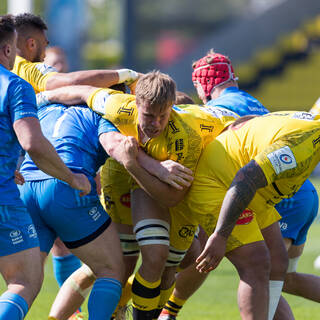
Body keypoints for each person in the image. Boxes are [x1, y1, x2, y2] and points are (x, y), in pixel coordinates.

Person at [35, 70, 239, 319]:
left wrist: (142, 166)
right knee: (122, 263)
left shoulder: (185, 138)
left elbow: (171, 198)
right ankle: (92, 315)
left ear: (172, 108)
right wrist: (41, 99)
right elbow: (82, 91)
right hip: (120, 176)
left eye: (162, 117)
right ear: (136, 103)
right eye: (148, 115)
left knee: (165, 262)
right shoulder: (119, 106)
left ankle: (133, 312)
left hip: (159, 188)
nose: (155, 124)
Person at [160, 50, 320, 320]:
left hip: (259, 187)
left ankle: (167, 310)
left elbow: (245, 157)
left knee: (265, 266)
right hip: (265, 188)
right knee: (268, 268)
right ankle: (166, 310)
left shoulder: (215, 108)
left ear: (203, 87)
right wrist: (220, 235)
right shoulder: (257, 104)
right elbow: (246, 170)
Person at [0, 15, 90, 320]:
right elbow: (33, 144)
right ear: (8, 50)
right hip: (5, 197)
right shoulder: (15, 84)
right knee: (24, 280)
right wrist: (71, 177)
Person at [12, 13, 138, 94]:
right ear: (32, 44)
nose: (44, 56)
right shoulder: (26, 69)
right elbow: (70, 81)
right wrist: (128, 75)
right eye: (45, 45)